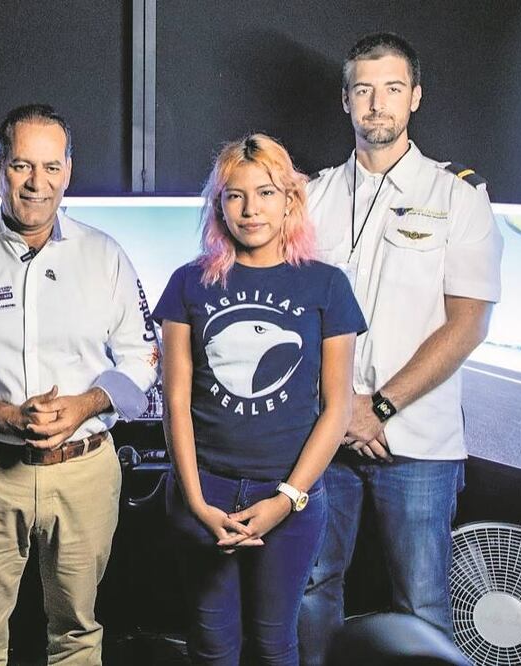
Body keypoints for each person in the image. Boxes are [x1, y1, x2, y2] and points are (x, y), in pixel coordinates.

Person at [0, 104, 159, 665]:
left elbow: (143, 357)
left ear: (68, 171)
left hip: (86, 470)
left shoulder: (105, 256)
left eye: (51, 167)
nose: (37, 183)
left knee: (77, 632)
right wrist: (6, 416)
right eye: (22, 166)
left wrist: (86, 404)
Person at [298, 33, 503, 665]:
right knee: (310, 589)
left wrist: (376, 409)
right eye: (364, 89)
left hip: (418, 444)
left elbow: (466, 324)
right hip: (323, 438)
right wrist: (341, 410)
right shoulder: (309, 198)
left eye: (391, 89)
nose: (376, 104)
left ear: (414, 98)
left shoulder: (459, 199)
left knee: (422, 601)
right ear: (345, 100)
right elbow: (291, 316)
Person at [154, 134, 365, 665]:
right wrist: (199, 502)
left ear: (290, 200)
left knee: (276, 645)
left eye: (266, 192)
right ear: (219, 203)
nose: (251, 210)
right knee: (212, 645)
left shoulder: (327, 286)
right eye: (235, 195)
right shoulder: (188, 283)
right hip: (205, 492)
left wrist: (287, 499)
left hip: (290, 497)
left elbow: (337, 406)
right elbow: (175, 400)